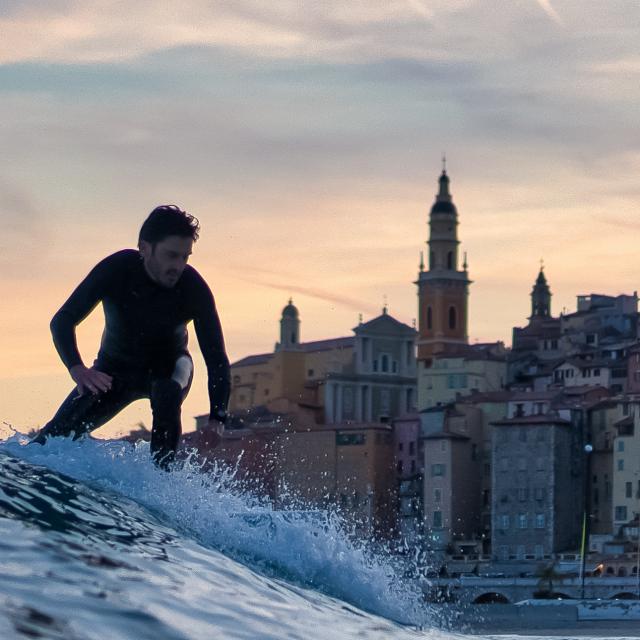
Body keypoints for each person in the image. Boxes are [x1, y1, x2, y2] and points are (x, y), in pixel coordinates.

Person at [31, 205, 231, 468]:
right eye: (172, 255)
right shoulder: (117, 269)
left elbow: (216, 358)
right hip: (112, 371)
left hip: (170, 368)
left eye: (185, 257)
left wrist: (217, 418)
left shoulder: (194, 289)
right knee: (51, 440)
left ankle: (162, 480)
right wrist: (78, 369)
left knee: (167, 391)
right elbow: (62, 320)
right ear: (145, 248)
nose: (179, 266)